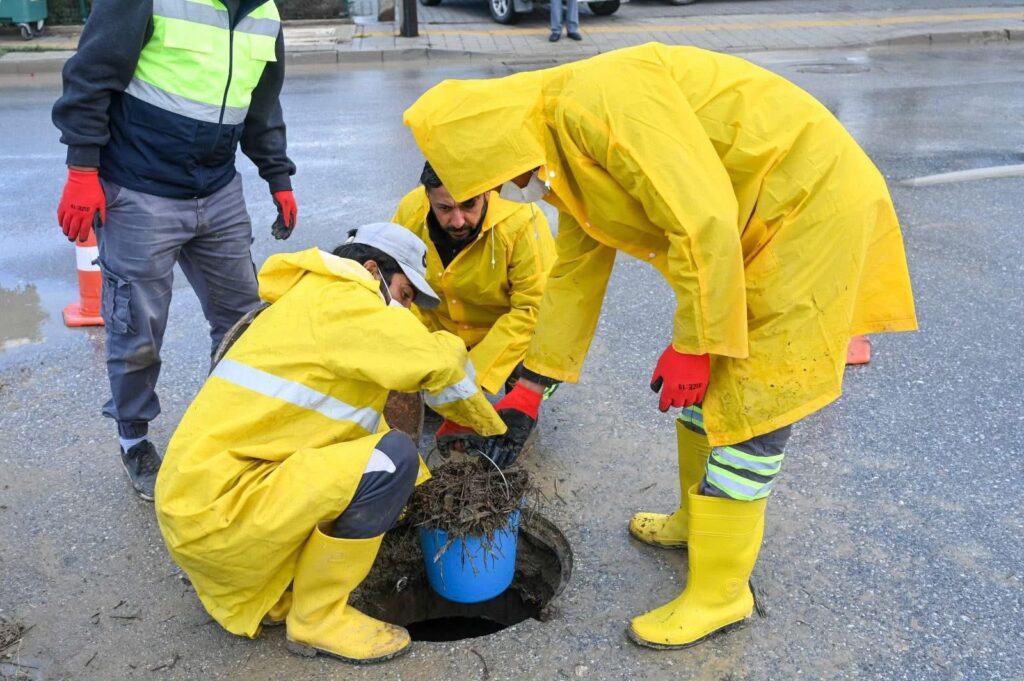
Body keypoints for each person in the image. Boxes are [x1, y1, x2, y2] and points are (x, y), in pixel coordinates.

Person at [403, 44, 917, 648]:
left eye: (496, 177)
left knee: (755, 400)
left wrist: (696, 345)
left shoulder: (600, 110)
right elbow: (576, 266)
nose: (510, 187)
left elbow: (701, 221)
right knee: (710, 392)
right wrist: (532, 385)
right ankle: (695, 519)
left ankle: (722, 594)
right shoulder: (555, 142)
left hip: (803, 212)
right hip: (746, 225)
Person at [154, 223, 507, 664]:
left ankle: (276, 592)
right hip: (223, 513)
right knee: (392, 457)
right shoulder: (345, 300)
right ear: (373, 270)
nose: (406, 311)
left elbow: (352, 433)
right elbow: (436, 362)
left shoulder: (307, 304)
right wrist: (487, 424)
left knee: (378, 454)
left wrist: (423, 485)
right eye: (404, 295)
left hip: (200, 513)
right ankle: (317, 619)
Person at [51, 0, 298, 501]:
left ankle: (228, 428)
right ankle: (134, 439)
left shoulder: (266, 13)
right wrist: (82, 168)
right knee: (137, 329)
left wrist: (277, 175)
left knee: (242, 324)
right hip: (141, 188)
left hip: (219, 189)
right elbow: (90, 73)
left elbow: (262, 104)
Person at [391, 161, 555, 457]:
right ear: (426, 196)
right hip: (441, 332)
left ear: (488, 193)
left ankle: (523, 393)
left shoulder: (522, 220)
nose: (457, 221)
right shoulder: (410, 214)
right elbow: (397, 293)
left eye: (468, 205)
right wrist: (423, 361)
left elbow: (534, 308)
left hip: (504, 334)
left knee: (538, 356)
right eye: (444, 209)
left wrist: (468, 388)